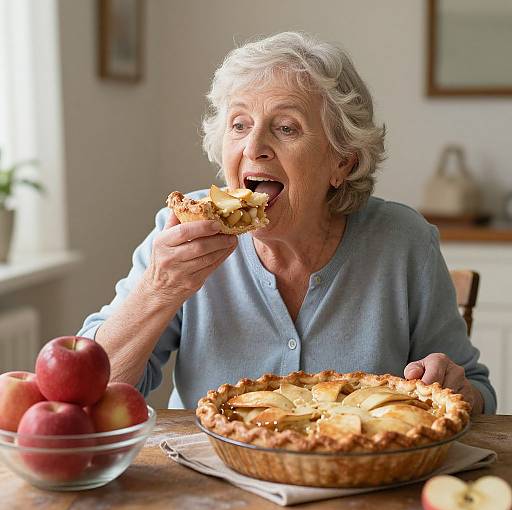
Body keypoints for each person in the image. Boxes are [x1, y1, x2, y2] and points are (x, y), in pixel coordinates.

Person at [78, 31, 496, 414]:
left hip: (354, 479)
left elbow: (476, 393)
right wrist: (158, 289)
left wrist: (453, 383)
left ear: (342, 163)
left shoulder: (403, 242)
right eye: (239, 125)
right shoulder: (181, 231)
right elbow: (91, 386)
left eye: (285, 128)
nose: (254, 147)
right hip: (212, 478)